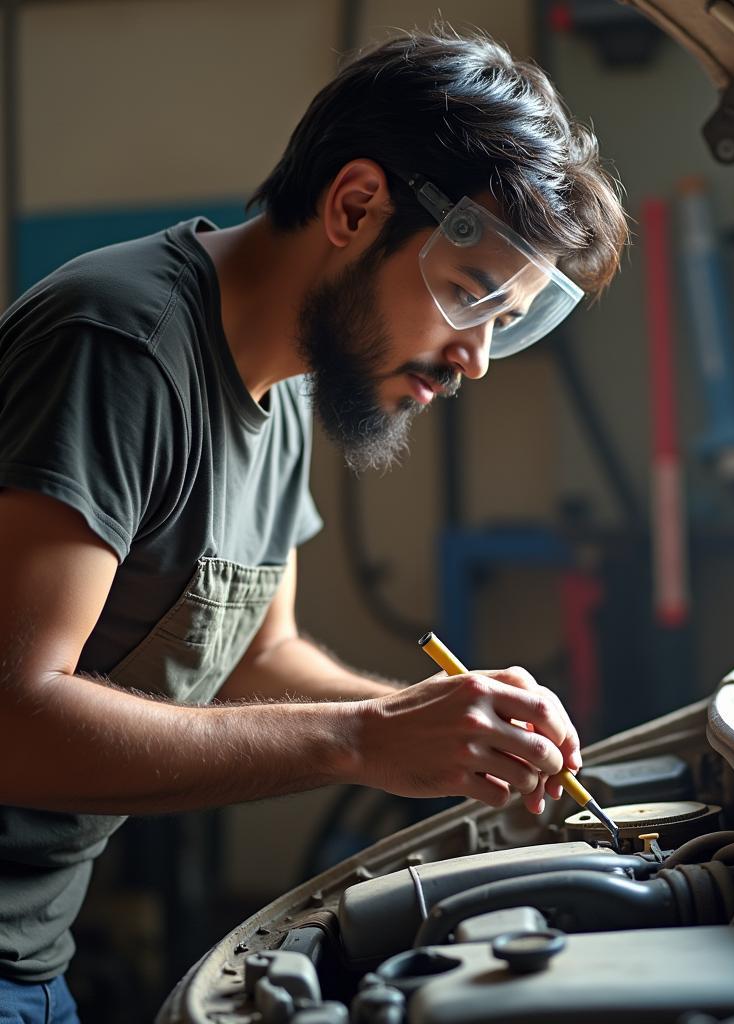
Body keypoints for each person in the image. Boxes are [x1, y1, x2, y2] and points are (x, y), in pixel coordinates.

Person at [0, 25, 627, 1020]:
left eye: (504, 322)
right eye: (467, 295)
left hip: (33, 943)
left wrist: (449, 732)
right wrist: (361, 740)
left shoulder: (285, 385)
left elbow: (256, 655)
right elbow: (12, 719)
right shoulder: (120, 348)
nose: (476, 359)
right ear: (355, 205)